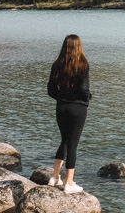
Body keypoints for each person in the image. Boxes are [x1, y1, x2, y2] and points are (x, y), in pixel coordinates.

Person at [47, 34, 92, 194]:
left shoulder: (57, 64)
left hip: (62, 107)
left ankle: (54, 177)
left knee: (64, 141)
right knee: (73, 145)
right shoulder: (83, 64)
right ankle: (69, 183)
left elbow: (50, 90)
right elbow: (83, 89)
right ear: (78, 46)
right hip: (77, 108)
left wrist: (62, 98)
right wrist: (87, 99)